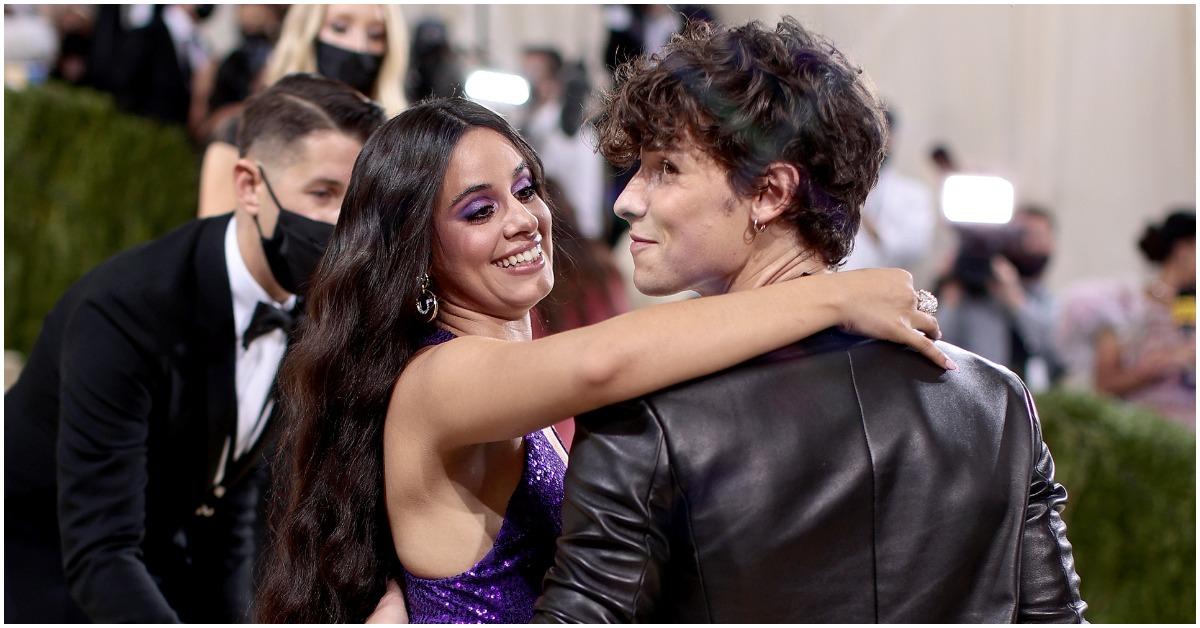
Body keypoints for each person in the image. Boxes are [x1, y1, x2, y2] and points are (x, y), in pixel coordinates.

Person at [255, 97, 954, 623]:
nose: (523, 220)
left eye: (525, 190)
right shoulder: (436, 380)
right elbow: (603, 364)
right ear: (416, 253)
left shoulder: (487, 377)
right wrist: (833, 299)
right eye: (477, 211)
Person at [531, 18, 1086, 623]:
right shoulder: (999, 401)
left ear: (770, 193)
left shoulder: (645, 408)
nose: (626, 198)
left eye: (666, 168)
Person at [3, 74, 385, 623]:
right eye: (323, 194)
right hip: (42, 568)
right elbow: (99, 552)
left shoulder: (312, 306)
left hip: (157, 558)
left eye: (357, 198)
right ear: (249, 186)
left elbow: (229, 506)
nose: (344, 222)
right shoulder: (125, 312)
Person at [198, 4, 409, 219]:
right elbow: (215, 237)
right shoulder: (241, 132)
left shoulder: (398, 145)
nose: (358, 46)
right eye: (339, 27)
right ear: (307, 31)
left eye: (376, 35)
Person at [1057, 209, 1196, 427]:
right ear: (1183, 249)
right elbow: (1104, 384)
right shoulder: (1124, 306)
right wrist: (1161, 366)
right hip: (1145, 435)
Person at [938, 205, 1064, 388]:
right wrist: (950, 289)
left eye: (1034, 236)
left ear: (1050, 244)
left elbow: (1056, 352)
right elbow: (938, 343)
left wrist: (1015, 300)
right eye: (1019, 235)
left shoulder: (1046, 301)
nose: (1025, 243)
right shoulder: (973, 299)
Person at [840, 106, 936, 274]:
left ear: (891, 138)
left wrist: (864, 218)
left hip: (887, 290)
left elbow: (915, 246)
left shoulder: (913, 194)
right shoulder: (828, 189)